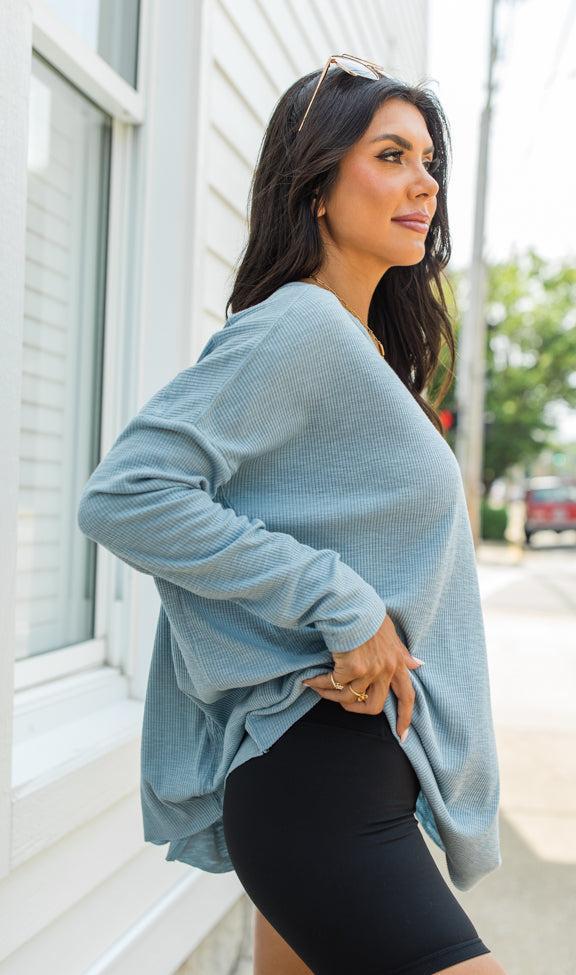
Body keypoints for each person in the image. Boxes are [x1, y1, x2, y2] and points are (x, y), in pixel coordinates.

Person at [77, 54, 506, 975]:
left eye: (429, 160)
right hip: (319, 772)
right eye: (391, 154)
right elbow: (127, 494)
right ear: (316, 184)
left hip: (343, 772)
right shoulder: (297, 328)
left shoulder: (354, 347)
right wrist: (338, 602)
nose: (423, 181)